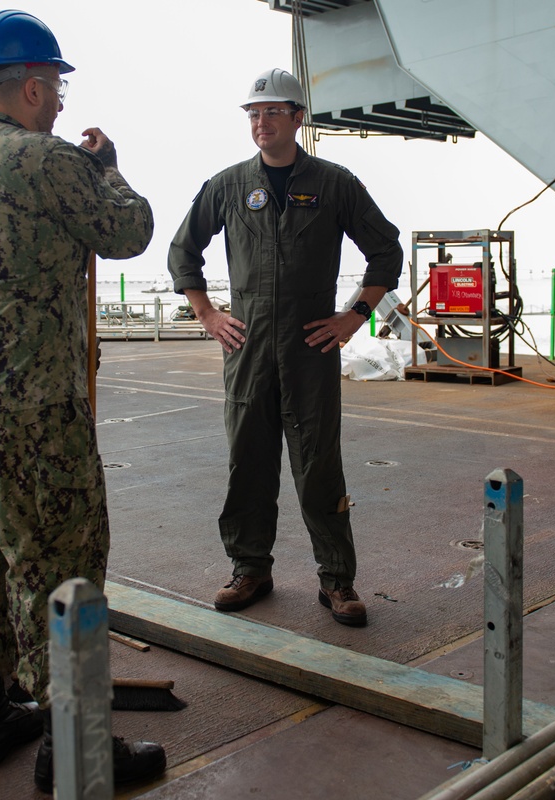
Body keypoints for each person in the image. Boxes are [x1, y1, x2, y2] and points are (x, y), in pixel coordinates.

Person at [0, 9, 165, 792]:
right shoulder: (42, 160)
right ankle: (76, 744)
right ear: (29, 86)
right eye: (54, 87)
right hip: (28, 404)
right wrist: (108, 168)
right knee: (60, 560)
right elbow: (130, 232)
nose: (58, 102)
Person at [167, 68, 403, 627]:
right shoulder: (226, 186)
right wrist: (207, 314)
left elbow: (386, 252)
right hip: (247, 350)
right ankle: (250, 568)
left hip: (309, 350)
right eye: (253, 113)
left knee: (319, 465)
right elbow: (183, 253)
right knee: (247, 462)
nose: (261, 121)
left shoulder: (334, 183)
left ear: (298, 118)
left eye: (273, 111)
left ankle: (337, 580)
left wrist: (354, 316)